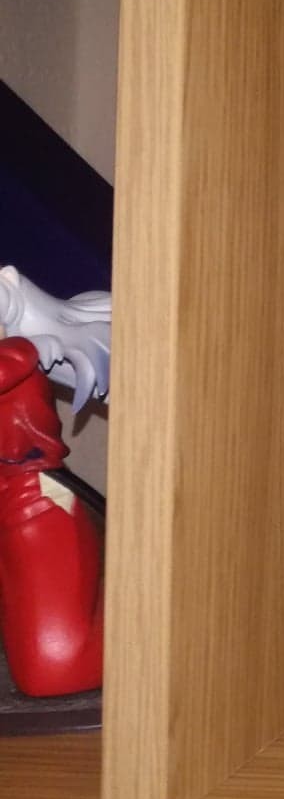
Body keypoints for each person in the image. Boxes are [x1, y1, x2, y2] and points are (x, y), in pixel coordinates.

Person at [0, 266, 109, 698]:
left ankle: (149, 629)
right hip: (14, 499)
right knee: (33, 656)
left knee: (53, 667)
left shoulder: (18, 354)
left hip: (34, 499)